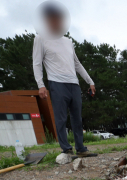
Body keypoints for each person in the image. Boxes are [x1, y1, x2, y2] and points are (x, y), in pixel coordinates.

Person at [33, 2, 97, 157]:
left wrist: (90, 81)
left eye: (58, 19)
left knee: (77, 119)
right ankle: (66, 149)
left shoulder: (68, 41)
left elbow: (76, 63)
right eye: (52, 19)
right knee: (61, 118)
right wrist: (41, 85)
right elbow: (36, 63)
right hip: (57, 83)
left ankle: (81, 148)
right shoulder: (41, 38)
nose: (56, 21)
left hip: (73, 84)